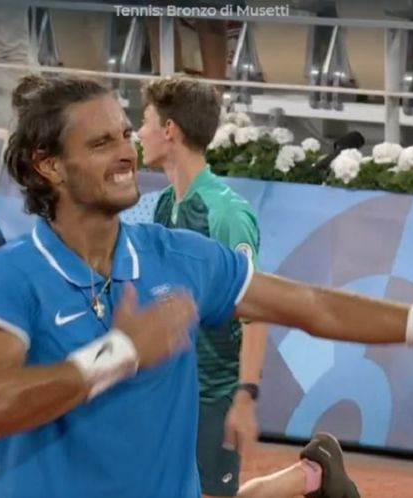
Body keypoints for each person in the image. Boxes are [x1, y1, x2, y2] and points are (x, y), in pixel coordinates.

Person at [0, 74, 413, 498]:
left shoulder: (179, 257)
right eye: (100, 143)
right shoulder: (4, 276)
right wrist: (120, 353)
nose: (126, 153)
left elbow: (316, 307)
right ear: (49, 166)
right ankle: (307, 482)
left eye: (122, 134)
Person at [140, 77, 267, 497]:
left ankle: (308, 478)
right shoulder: (161, 206)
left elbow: (256, 310)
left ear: (169, 130)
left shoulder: (226, 213)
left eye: (145, 122)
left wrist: (245, 396)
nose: (139, 133)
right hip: (170, 391)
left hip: (214, 395)